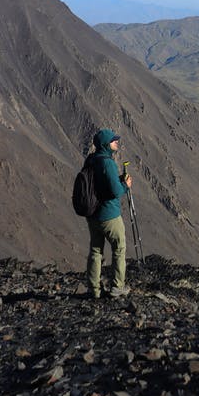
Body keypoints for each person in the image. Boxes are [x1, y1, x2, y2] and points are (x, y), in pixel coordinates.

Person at [86, 128, 132, 299]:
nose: (116, 142)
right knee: (119, 249)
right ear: (106, 145)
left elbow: (99, 184)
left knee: (96, 251)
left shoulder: (91, 160)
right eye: (113, 141)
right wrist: (126, 185)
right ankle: (117, 287)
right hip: (110, 215)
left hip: (93, 215)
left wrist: (117, 180)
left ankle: (94, 289)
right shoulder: (108, 163)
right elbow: (115, 191)